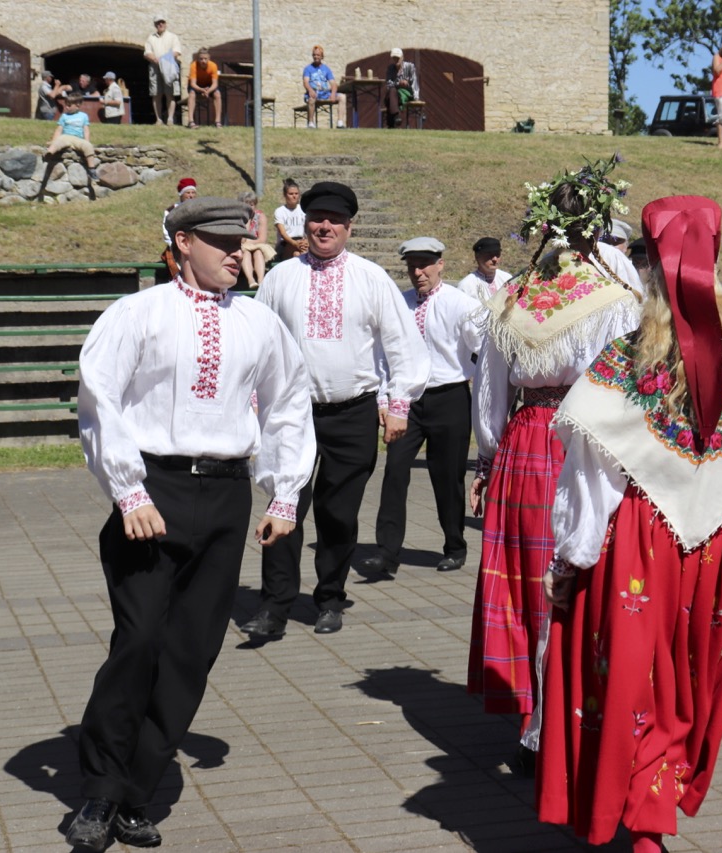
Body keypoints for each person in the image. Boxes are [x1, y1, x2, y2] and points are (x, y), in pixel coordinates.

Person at [536, 195, 722, 852]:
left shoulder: (624, 364)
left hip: (640, 544)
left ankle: (644, 825)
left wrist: (571, 558)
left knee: (636, 686)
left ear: (649, 270)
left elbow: (593, 477)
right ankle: (653, 822)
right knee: (693, 688)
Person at [65, 196, 316, 852]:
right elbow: (99, 400)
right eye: (222, 242)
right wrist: (129, 491)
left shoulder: (258, 322)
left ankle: (134, 792)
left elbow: (289, 403)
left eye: (243, 242)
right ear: (182, 242)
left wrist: (284, 495)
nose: (238, 253)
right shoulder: (138, 313)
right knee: (140, 638)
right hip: (154, 488)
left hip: (227, 493)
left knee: (191, 649)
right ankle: (100, 787)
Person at [467, 155, 642, 771]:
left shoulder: (514, 294)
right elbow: (624, 387)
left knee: (527, 581)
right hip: (588, 442)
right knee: (577, 579)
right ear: (599, 226)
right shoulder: (616, 296)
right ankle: (568, 719)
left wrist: (487, 459)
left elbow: (489, 394)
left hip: (525, 442)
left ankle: (531, 719)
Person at [241, 181, 430, 637]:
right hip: (292, 414)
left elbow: (403, 345)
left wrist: (399, 403)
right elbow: (258, 343)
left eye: (335, 220)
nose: (325, 227)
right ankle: (274, 606)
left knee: (338, 513)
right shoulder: (281, 277)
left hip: (352, 413)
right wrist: (251, 405)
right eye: (317, 219)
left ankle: (329, 597)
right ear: (305, 224)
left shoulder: (371, 278)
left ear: (349, 227)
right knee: (284, 504)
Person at [363, 237, 482, 575]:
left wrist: (481, 392)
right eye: (412, 266)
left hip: (449, 396)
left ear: (440, 264)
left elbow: (483, 349)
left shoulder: (461, 304)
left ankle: (454, 545)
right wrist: (384, 399)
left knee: (447, 476)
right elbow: (383, 355)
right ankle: (387, 551)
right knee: (395, 469)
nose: (418, 272)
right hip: (408, 401)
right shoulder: (399, 304)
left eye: (425, 265)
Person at [45, 92, 101, 181]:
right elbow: (59, 130)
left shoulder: (83, 116)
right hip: (66, 136)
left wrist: (87, 141)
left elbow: (86, 130)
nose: (66, 107)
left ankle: (91, 169)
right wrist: (53, 141)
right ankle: (49, 154)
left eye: (69, 105)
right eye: (66, 105)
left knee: (88, 146)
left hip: (78, 138)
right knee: (58, 142)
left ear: (78, 106)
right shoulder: (64, 116)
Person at [143, 14, 182, 126]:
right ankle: (158, 119)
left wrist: (164, 60)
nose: (160, 24)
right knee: (156, 94)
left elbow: (176, 51)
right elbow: (147, 53)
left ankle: (170, 119)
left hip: (169, 67)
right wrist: (156, 60)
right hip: (155, 68)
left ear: (165, 23)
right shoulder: (151, 38)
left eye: (162, 22)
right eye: (158, 23)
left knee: (170, 94)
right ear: (155, 25)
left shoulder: (173, 37)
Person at [302, 45, 347, 128]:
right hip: (314, 93)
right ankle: (311, 123)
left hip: (325, 94)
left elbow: (333, 84)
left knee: (342, 97)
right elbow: (305, 82)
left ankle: (340, 123)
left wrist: (333, 93)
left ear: (322, 56)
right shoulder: (308, 69)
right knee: (311, 99)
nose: (316, 57)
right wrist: (310, 90)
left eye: (318, 55)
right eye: (314, 55)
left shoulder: (326, 69)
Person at [456, 236, 512, 303]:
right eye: (490, 254)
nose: (495, 259)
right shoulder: (466, 286)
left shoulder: (507, 279)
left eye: (497, 254)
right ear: (477, 256)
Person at [239, 190, 276, 288]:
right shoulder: (238, 218)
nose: (249, 207)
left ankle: (261, 280)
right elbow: (241, 240)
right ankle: (251, 280)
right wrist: (247, 222)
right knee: (246, 253)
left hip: (257, 246)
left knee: (258, 252)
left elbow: (262, 239)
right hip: (244, 248)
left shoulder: (260, 216)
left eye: (251, 205)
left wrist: (248, 242)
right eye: (246, 204)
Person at [162, 177, 197, 278]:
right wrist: (176, 245)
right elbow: (166, 231)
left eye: (193, 193)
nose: (191, 196)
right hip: (176, 246)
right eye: (188, 193)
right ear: (181, 194)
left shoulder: (199, 209)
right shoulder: (171, 211)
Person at [273, 178, 307, 261]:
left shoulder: (303, 209)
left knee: (297, 254)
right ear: (285, 195)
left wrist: (306, 241)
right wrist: (294, 243)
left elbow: (308, 229)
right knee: (299, 254)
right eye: (291, 194)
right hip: (286, 243)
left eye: (296, 193)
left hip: (301, 242)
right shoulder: (280, 211)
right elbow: (283, 233)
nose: (294, 196)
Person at [185, 49, 221, 128]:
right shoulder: (193, 65)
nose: (203, 61)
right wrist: (202, 90)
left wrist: (208, 91)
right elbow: (193, 84)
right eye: (201, 59)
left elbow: (215, 84)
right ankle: (191, 121)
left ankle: (217, 121)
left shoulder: (213, 66)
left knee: (217, 94)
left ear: (209, 59)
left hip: (208, 86)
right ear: (198, 59)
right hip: (196, 86)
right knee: (192, 94)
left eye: (205, 59)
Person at [384, 47, 418, 128]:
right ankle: (396, 116)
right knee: (392, 92)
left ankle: (392, 123)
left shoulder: (410, 67)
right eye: (394, 58)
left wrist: (416, 97)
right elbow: (388, 84)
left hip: (407, 93)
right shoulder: (390, 68)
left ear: (402, 57)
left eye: (398, 58)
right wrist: (399, 83)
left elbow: (414, 83)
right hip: (395, 94)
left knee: (390, 98)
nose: (396, 60)